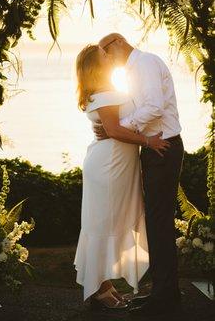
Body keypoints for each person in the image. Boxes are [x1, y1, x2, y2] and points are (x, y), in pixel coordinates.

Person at [73, 44, 170, 311]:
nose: (109, 55)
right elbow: (114, 130)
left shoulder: (100, 91)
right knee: (104, 224)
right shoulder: (104, 94)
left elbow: (114, 127)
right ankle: (99, 289)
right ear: (96, 64)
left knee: (108, 222)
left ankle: (105, 285)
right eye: (104, 55)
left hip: (112, 164)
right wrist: (148, 141)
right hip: (110, 167)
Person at [95, 33, 184, 316]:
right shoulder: (135, 70)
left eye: (105, 54)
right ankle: (163, 291)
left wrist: (121, 126)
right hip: (156, 148)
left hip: (163, 148)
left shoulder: (144, 64)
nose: (105, 60)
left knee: (160, 223)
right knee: (157, 223)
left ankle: (165, 297)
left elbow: (154, 107)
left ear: (118, 43)